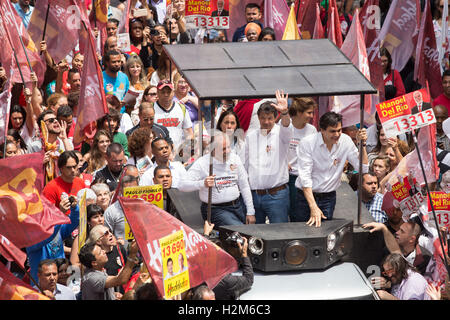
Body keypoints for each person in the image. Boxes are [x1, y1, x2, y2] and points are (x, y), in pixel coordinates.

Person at [295, 111, 368, 227]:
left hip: (328, 198)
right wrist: (313, 206)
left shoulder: (346, 140)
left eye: (339, 130)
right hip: (305, 197)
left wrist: (362, 144)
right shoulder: (307, 143)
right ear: (322, 130)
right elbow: (305, 178)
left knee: (325, 235)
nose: (337, 134)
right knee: (301, 234)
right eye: (332, 131)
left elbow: (363, 168)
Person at [179, 133, 255, 226]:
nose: (227, 151)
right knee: (239, 230)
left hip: (237, 206)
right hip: (215, 209)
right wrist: (202, 183)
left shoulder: (235, 158)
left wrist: (250, 211)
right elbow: (182, 185)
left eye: (228, 147)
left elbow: (244, 185)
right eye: (223, 149)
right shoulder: (202, 163)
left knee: (245, 232)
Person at [245, 91, 292, 224]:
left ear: (275, 117)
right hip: (255, 196)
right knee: (256, 238)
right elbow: (245, 165)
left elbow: (287, 126)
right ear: (258, 118)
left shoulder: (282, 133)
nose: (266, 122)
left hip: (277, 196)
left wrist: (284, 112)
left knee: (279, 235)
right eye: (263, 118)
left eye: (270, 118)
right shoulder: (251, 136)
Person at [26, 193, 79, 283]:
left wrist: (74, 208)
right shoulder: (30, 236)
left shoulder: (56, 227)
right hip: (42, 285)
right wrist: (59, 214)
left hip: (61, 280)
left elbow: (73, 221)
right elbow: (47, 235)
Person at [363, 220, 433, 277]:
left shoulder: (425, 259)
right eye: (399, 229)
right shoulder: (386, 252)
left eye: (402, 231)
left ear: (412, 239)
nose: (397, 232)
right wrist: (386, 282)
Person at [287, 97, 317, 222]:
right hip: (287, 177)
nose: (311, 116)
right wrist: (282, 162)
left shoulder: (312, 130)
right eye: (309, 112)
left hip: (304, 176)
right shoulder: (284, 126)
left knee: (300, 213)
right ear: (299, 112)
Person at [87, 225, 129, 295]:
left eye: (110, 231)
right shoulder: (97, 259)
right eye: (106, 233)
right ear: (98, 241)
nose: (111, 235)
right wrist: (112, 293)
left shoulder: (119, 249)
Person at [153, 80, 193, 152]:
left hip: (178, 153)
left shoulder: (181, 108)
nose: (166, 94)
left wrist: (187, 149)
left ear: (173, 92)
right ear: (158, 93)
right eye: (163, 92)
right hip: (157, 153)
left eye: (168, 92)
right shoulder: (151, 108)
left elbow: (189, 134)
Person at [104, 172, 140, 241]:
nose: (131, 193)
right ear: (121, 190)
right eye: (128, 191)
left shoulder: (146, 206)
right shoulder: (111, 211)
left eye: (134, 190)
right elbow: (106, 235)